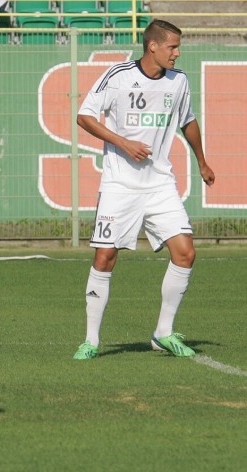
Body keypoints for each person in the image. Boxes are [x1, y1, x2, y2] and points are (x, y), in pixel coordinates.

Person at [73, 19, 215, 360]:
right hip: (120, 184)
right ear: (153, 46)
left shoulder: (178, 81)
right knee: (105, 257)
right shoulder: (118, 76)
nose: (177, 54)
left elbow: (188, 120)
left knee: (185, 253)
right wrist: (123, 143)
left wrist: (202, 160)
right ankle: (91, 340)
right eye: (172, 47)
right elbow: (85, 116)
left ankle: (163, 332)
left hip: (160, 184)